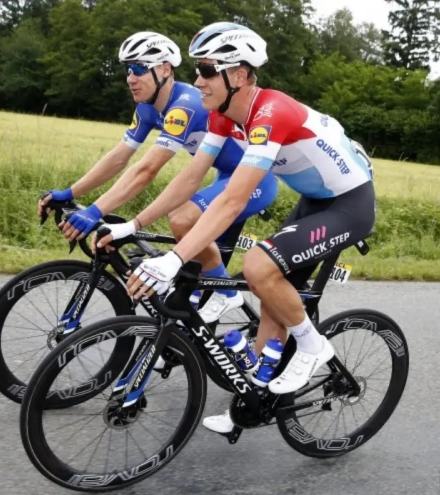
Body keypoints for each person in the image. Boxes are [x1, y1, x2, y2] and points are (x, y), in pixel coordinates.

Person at [94, 22, 376, 434]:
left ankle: (314, 347)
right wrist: (133, 225)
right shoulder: (224, 117)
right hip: (314, 202)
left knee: (259, 265)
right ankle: (253, 402)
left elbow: (232, 199)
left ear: (238, 75)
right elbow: (190, 180)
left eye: (207, 70)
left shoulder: (270, 112)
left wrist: (174, 259)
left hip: (349, 204)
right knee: (270, 294)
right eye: (198, 70)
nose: (198, 80)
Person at [38, 31, 278, 323]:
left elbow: (147, 169)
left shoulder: (186, 104)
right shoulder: (147, 108)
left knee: (181, 219)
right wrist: (71, 192)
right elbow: (119, 156)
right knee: (191, 257)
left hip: (255, 181)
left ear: (165, 69)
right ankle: (191, 333)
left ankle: (226, 296)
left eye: (139, 68)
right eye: (128, 69)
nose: (130, 77)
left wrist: (96, 210)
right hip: (224, 176)